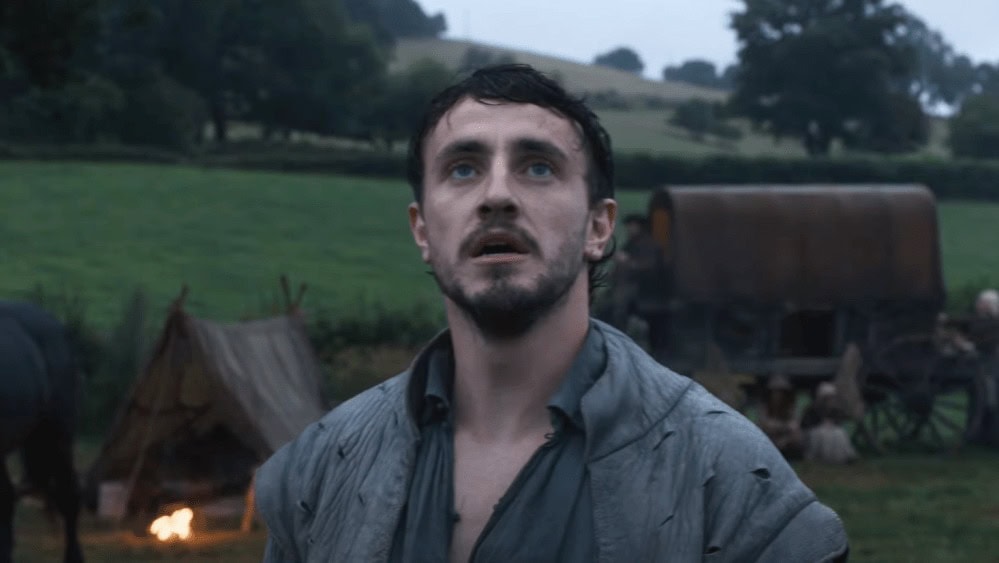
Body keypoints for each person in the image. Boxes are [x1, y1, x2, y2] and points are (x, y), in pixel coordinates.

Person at [254, 64, 849, 562]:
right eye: (463, 168)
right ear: (423, 231)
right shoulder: (321, 471)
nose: (497, 195)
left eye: (538, 166)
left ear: (598, 227)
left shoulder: (727, 478)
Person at [608, 213, 661, 331]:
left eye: (632, 225)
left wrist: (627, 262)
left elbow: (648, 265)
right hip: (627, 283)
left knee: (620, 305)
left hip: (641, 284)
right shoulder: (631, 243)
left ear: (640, 227)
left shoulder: (648, 244)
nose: (629, 229)